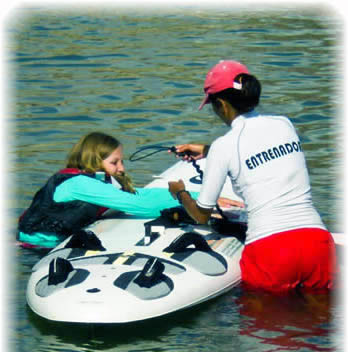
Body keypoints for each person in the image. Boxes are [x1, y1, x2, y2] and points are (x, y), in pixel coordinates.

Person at [168, 60, 337, 293]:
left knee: (265, 324)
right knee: (318, 320)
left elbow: (201, 215)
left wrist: (179, 192)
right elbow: (261, 152)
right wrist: (206, 150)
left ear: (222, 105)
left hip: (271, 249)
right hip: (316, 242)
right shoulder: (284, 124)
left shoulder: (223, 146)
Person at [18, 131, 201, 248]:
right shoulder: (80, 184)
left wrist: (198, 196)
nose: (121, 168)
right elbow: (141, 205)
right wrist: (187, 199)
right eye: (114, 162)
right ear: (94, 161)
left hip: (55, 240)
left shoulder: (97, 181)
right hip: (40, 245)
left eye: (120, 161)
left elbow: (139, 194)